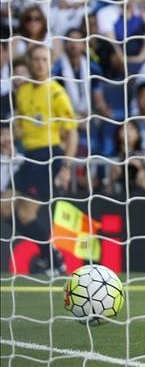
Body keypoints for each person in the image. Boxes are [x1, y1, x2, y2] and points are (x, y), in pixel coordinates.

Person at [13, 45, 77, 275]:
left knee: (24, 214)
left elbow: (72, 132)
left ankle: (55, 259)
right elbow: (20, 127)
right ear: (29, 62)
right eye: (36, 59)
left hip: (48, 156)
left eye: (44, 59)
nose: (40, 63)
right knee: (5, 207)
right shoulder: (22, 92)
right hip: (28, 156)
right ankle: (47, 257)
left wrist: (66, 166)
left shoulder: (57, 93)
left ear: (50, 63)